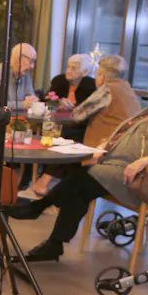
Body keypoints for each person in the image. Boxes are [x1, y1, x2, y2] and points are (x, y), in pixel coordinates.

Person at [8, 60, 148, 262]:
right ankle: (53, 244)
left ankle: (37, 209)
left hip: (144, 178)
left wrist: (146, 161)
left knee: (82, 179)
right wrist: (103, 148)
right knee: (79, 189)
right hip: (116, 168)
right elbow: (125, 133)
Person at [28, 54, 98, 195]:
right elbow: (48, 100)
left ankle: (45, 179)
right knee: (56, 137)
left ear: (84, 72)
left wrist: (74, 106)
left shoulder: (91, 85)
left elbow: (90, 109)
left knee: (67, 140)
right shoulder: (59, 80)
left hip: (79, 127)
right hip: (56, 123)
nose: (68, 71)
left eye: (73, 68)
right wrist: (56, 103)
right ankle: (61, 191)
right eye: (68, 67)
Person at [72, 54, 142, 148]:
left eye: (97, 73)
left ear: (102, 77)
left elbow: (76, 115)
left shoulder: (106, 90)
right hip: (126, 144)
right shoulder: (127, 87)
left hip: (104, 147)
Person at [0, 42, 37, 112]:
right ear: (19, 59)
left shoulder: (25, 74)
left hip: (20, 120)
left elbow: (31, 98)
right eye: (31, 62)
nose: (32, 66)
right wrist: (22, 105)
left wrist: (32, 100)